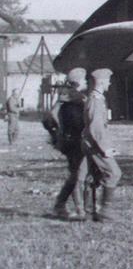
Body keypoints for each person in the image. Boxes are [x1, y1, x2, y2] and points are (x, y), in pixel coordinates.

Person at [82, 68, 122, 221]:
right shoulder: (96, 101)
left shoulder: (96, 99)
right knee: (114, 173)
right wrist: (105, 148)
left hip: (91, 142)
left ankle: (89, 213)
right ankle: (106, 210)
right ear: (102, 82)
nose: (110, 83)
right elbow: (96, 127)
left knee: (94, 176)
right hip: (95, 144)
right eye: (108, 80)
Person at [52, 68, 88, 221]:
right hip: (74, 140)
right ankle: (78, 208)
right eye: (85, 79)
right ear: (78, 81)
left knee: (78, 174)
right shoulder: (73, 97)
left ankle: (64, 204)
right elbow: (55, 115)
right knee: (78, 175)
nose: (86, 82)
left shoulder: (69, 96)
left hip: (72, 139)